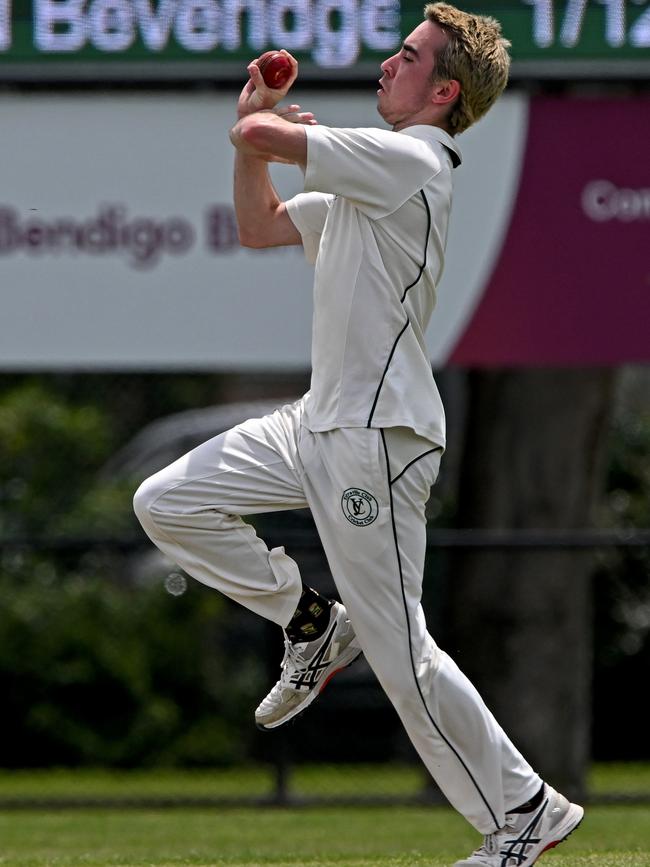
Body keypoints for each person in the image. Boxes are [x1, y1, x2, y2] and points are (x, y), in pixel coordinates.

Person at [133, 4, 584, 864]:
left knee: (402, 649)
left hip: (375, 436)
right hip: (320, 421)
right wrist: (251, 127)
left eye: (407, 57)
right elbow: (258, 222)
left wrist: (257, 116)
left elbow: (266, 138)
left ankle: (525, 812)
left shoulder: (410, 160)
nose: (387, 63)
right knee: (168, 501)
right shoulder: (370, 176)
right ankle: (308, 623)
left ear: (443, 90)